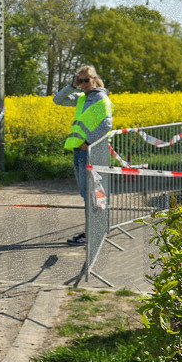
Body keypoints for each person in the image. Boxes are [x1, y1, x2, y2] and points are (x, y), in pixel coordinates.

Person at [53, 65, 113, 246]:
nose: (83, 84)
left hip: (88, 151)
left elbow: (107, 124)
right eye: (80, 80)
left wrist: (88, 142)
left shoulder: (100, 98)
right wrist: (72, 86)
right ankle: (97, 228)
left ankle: (91, 233)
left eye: (86, 80)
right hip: (79, 150)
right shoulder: (82, 97)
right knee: (88, 192)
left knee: (90, 193)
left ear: (94, 79)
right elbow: (57, 100)